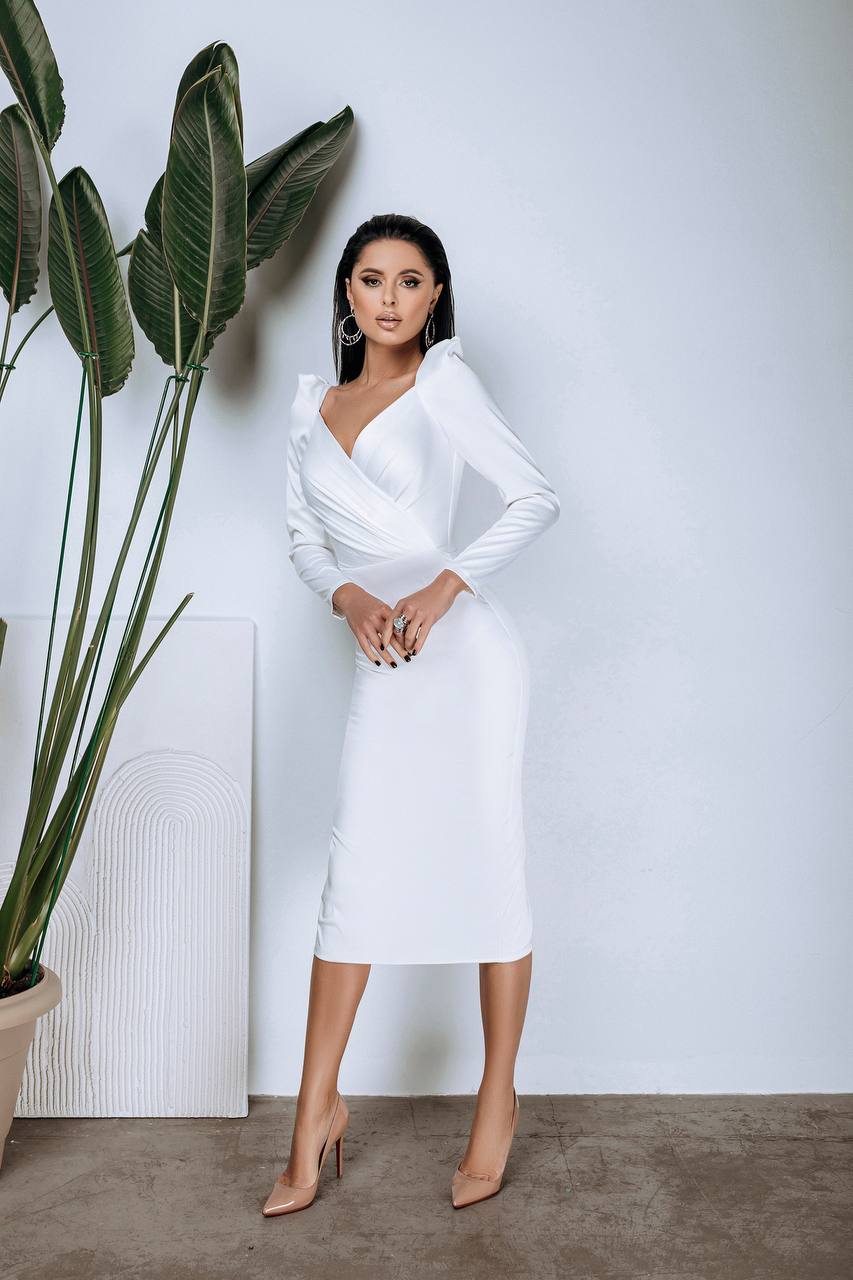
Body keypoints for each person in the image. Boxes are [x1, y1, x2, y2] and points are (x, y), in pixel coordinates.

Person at [263, 214, 561, 1216]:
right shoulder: (313, 408)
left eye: (411, 280)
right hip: (382, 660)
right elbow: (306, 539)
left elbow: (532, 497)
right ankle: (314, 1111)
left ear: (436, 296)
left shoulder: (443, 384)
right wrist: (350, 599)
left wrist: (445, 588)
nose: (389, 298)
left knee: (489, 865)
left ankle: (496, 1096)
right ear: (345, 293)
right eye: (369, 279)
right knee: (356, 876)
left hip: (466, 663)